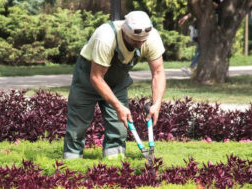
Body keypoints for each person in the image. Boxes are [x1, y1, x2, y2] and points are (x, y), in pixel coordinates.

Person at [63, 11, 166, 160]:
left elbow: (158, 72)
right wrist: (118, 106)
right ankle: (71, 164)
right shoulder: (106, 37)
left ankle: (114, 164)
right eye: (135, 41)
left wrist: (156, 104)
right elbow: (96, 77)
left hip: (117, 82)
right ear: (124, 32)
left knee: (119, 127)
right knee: (78, 126)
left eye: (142, 41)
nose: (140, 44)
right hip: (88, 79)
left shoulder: (151, 38)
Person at [178, 0, 223, 76]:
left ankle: (192, 68)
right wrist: (186, 17)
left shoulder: (217, 4)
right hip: (205, 28)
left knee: (201, 49)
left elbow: (218, 6)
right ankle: (195, 68)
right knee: (201, 48)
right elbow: (198, 10)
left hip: (214, 28)